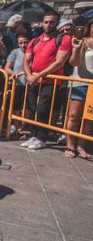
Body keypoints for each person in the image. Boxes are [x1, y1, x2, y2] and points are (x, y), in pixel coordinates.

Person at [21, 11, 72, 150]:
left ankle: (42, 138)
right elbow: (26, 60)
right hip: (34, 80)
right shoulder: (34, 40)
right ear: (42, 23)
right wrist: (30, 75)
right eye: (46, 22)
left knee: (43, 109)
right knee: (32, 108)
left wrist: (38, 75)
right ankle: (33, 135)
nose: (48, 25)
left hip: (51, 81)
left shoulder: (64, 38)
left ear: (57, 23)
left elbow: (59, 62)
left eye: (52, 22)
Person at [65, 18, 93, 158]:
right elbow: (74, 62)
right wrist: (76, 50)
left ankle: (81, 145)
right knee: (73, 116)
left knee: (88, 118)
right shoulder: (83, 42)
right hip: (79, 83)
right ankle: (70, 144)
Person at [4, 35, 30, 138]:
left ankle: (22, 128)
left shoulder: (33, 52)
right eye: (21, 43)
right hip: (17, 83)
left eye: (25, 42)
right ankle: (15, 126)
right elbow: (7, 67)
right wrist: (13, 73)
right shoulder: (15, 52)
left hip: (30, 84)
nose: (23, 45)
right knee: (16, 106)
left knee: (27, 107)